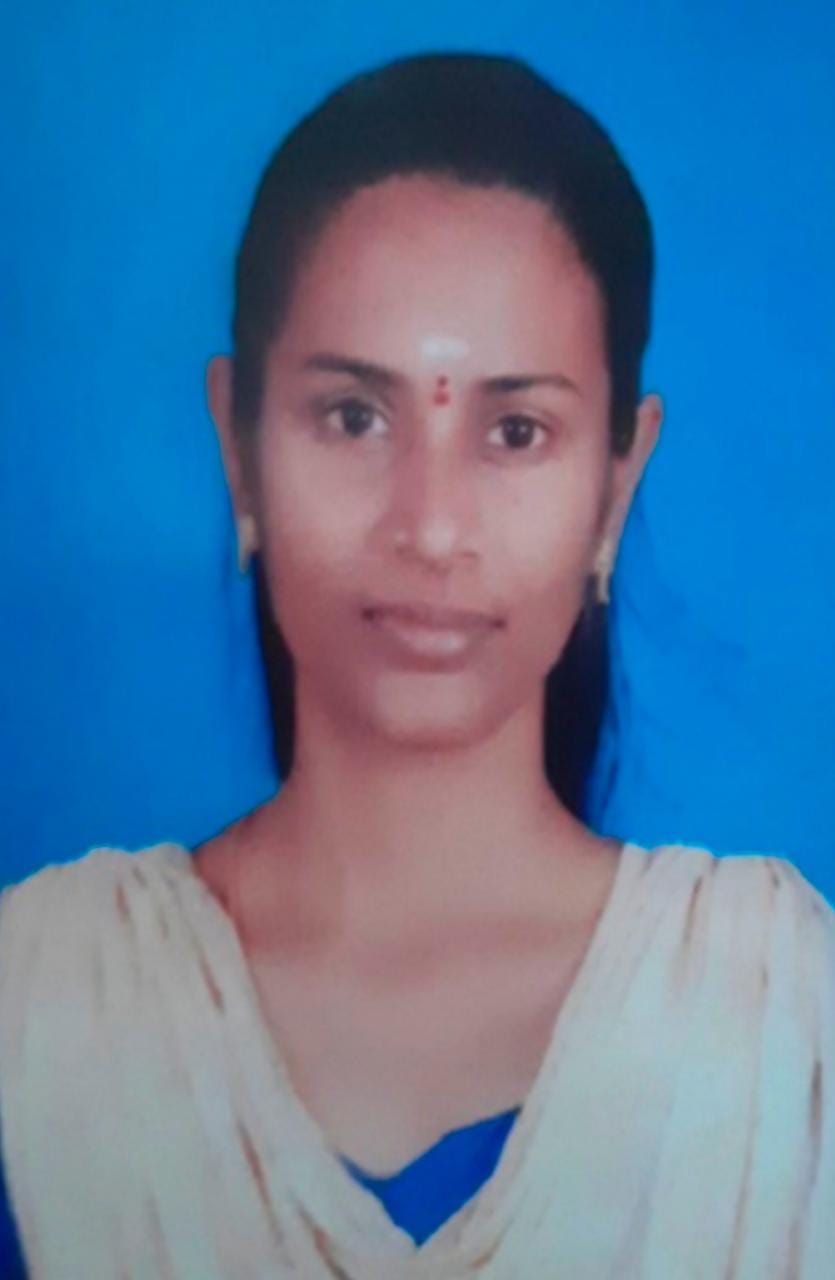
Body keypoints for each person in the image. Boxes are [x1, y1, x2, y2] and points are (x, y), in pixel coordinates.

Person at [0, 52, 832, 1279]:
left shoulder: (780, 1023)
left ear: (616, 483)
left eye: (515, 430)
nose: (431, 527)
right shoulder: (46, 1006)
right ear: (238, 446)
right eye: (353, 416)